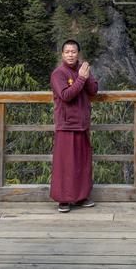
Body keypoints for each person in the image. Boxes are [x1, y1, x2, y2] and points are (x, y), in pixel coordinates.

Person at [49, 39, 99, 212]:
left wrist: (86, 76)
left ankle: (81, 197)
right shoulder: (58, 73)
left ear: (78, 53)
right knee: (65, 165)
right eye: (67, 52)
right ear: (62, 54)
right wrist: (81, 79)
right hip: (66, 125)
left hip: (82, 124)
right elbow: (66, 95)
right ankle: (63, 199)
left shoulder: (82, 69)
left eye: (73, 51)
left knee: (82, 164)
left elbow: (93, 90)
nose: (70, 54)